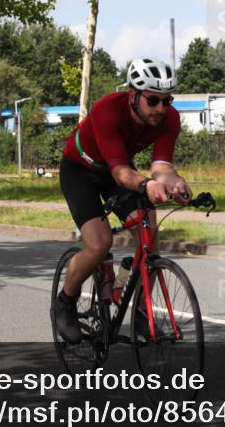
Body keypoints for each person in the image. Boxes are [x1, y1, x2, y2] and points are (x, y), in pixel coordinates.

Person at [56, 57, 191, 343]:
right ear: (133, 95)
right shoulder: (107, 110)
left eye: (167, 100)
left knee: (148, 232)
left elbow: (162, 167)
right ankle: (66, 302)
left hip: (117, 171)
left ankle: (140, 310)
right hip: (81, 171)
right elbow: (120, 173)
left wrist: (175, 182)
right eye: (153, 100)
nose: (161, 108)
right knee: (99, 243)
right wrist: (146, 184)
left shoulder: (169, 118)